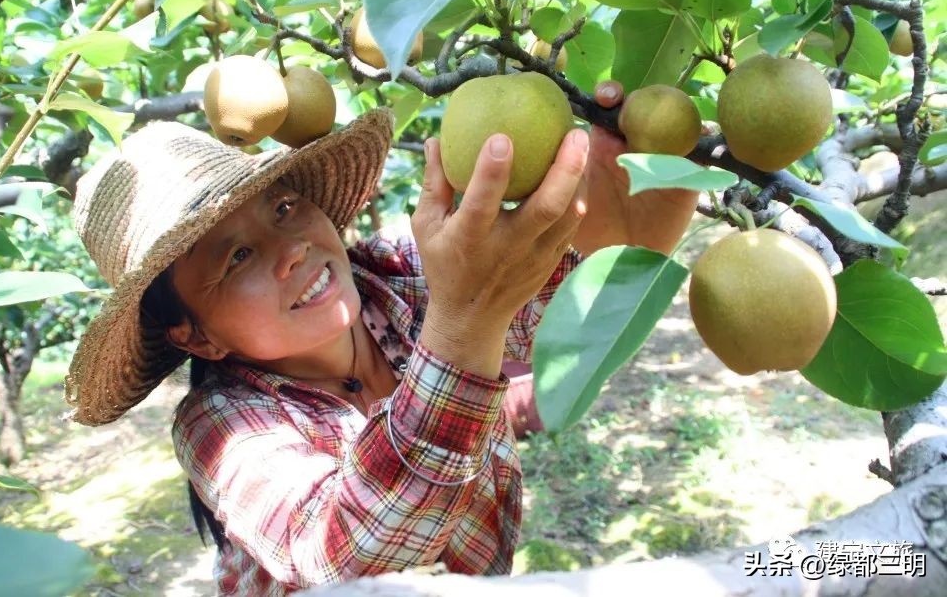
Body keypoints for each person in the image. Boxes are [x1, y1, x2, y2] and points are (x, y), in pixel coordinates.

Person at [64, 80, 698, 595]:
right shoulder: (220, 425)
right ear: (195, 337)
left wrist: (628, 231)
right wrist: (464, 324)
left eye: (283, 208)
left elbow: (540, 306)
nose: (293, 250)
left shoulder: (390, 278)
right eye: (235, 259)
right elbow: (343, 555)